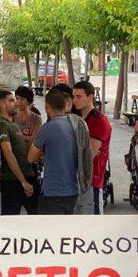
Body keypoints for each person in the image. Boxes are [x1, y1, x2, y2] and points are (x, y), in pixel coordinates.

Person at [28, 88, 91, 215]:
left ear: (47, 107)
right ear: (65, 105)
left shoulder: (47, 128)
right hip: (73, 189)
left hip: (53, 191)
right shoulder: (76, 125)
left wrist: (42, 154)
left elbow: (31, 158)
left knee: (51, 227)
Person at [0, 89, 37, 216]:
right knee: (10, 220)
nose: (16, 103)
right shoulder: (2, 125)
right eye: (12, 100)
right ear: (2, 105)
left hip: (26, 177)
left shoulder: (13, 124)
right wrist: (23, 181)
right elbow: (8, 154)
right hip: (13, 181)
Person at [73, 80, 112, 214]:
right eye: (74, 96)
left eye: (79, 96)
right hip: (76, 180)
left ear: (90, 97)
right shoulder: (77, 117)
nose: (75, 100)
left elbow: (89, 154)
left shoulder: (99, 120)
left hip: (92, 181)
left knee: (93, 222)